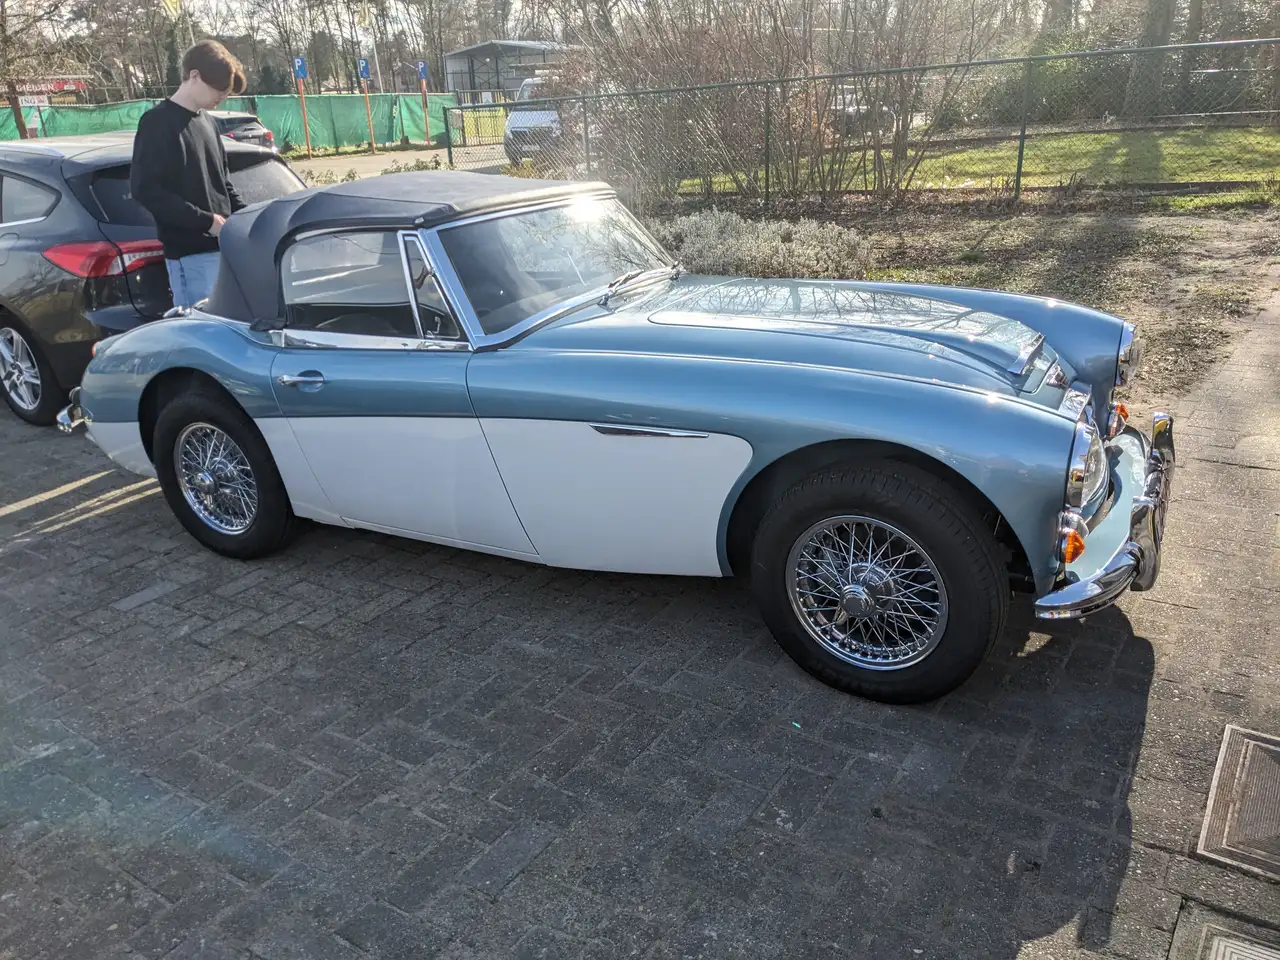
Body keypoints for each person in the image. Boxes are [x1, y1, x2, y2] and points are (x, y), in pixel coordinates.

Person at [130, 40, 248, 309]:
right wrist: (206, 221)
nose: (222, 97)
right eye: (218, 89)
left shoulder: (209, 123)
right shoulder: (157, 123)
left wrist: (246, 218)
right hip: (191, 256)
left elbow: (222, 184)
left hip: (225, 251)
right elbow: (145, 189)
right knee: (202, 330)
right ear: (194, 76)